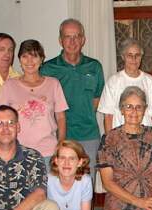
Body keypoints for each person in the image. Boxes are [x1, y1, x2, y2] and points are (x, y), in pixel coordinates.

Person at [41, 18, 105, 179]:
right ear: (60, 40)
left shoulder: (94, 66)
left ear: (83, 40)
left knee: (86, 184)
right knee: (60, 185)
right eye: (68, 36)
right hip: (59, 137)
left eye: (76, 36)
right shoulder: (48, 69)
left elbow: (96, 100)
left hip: (89, 135)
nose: (72, 41)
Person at [0, 39, 67, 169]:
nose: (29, 61)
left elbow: (61, 117)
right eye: (25, 56)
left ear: (41, 60)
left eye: (34, 56)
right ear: (19, 60)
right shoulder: (9, 85)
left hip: (47, 152)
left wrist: (61, 144)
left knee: (47, 189)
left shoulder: (53, 84)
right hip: (17, 152)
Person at [98, 38, 152, 133]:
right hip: (120, 137)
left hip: (145, 137)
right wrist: (110, 140)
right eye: (130, 55)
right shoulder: (113, 81)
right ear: (123, 57)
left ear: (141, 57)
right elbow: (108, 116)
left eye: (137, 55)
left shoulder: (149, 81)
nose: (134, 59)